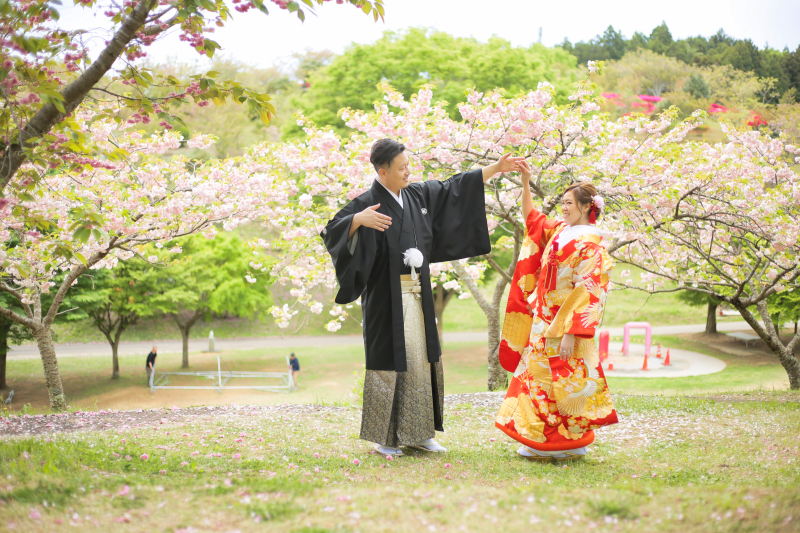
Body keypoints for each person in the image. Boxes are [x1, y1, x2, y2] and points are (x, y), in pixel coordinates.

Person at [322, 138, 523, 457]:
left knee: (421, 360)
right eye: (401, 168)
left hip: (417, 292)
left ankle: (421, 433)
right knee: (390, 363)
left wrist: (496, 168)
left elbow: (455, 186)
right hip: (385, 299)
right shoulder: (367, 203)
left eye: (408, 166)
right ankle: (386, 439)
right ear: (383, 172)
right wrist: (357, 221)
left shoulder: (416, 195)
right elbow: (331, 230)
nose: (408, 172)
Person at [495, 161, 618, 461]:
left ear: (587, 207)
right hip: (543, 321)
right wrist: (526, 182)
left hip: (566, 327)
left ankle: (567, 443)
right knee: (535, 380)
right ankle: (539, 439)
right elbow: (532, 219)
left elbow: (589, 291)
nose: (563, 208)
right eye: (562, 203)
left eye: (569, 203)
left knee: (565, 385)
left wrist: (571, 333)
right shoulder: (561, 230)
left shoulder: (591, 247)